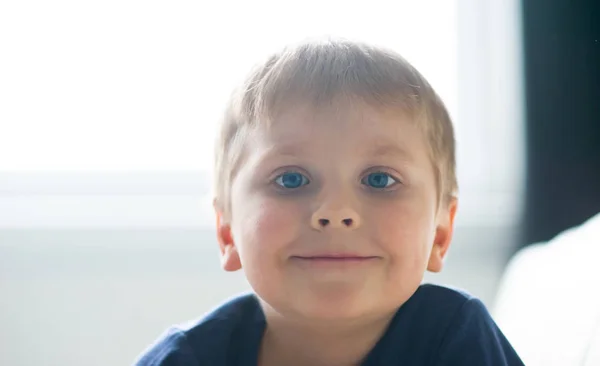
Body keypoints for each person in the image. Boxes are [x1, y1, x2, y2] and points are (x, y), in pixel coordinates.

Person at [135, 38, 523, 366]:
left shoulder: (455, 336)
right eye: (290, 180)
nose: (335, 213)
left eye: (379, 180)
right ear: (227, 232)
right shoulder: (184, 358)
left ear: (440, 234)